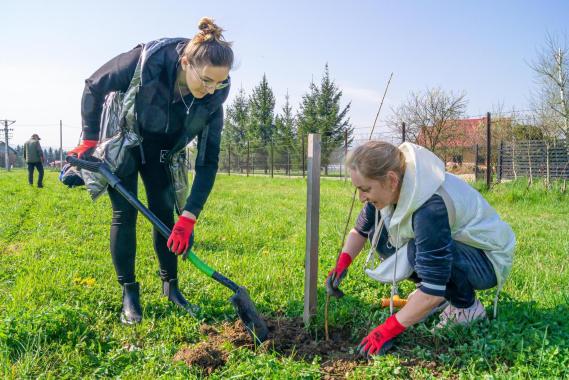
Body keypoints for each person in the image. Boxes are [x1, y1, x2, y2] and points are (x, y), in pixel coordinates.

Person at [68, 17, 233, 324]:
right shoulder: (146, 61)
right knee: (124, 214)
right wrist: (90, 139)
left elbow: (208, 162)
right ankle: (129, 292)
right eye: (206, 80)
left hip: (162, 151)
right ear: (185, 62)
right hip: (126, 141)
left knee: (164, 216)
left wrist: (191, 215)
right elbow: (93, 86)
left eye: (219, 82)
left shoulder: (213, 103)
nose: (211, 89)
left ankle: (171, 288)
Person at [326, 141, 515, 356]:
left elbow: (432, 287)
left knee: (418, 252)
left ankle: (466, 307)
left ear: (391, 180)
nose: (361, 198)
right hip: (455, 248)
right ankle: (443, 295)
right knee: (378, 234)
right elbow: (360, 231)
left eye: (365, 189)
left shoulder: (429, 207)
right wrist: (342, 263)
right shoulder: (391, 186)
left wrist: (387, 330)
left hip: (485, 259)